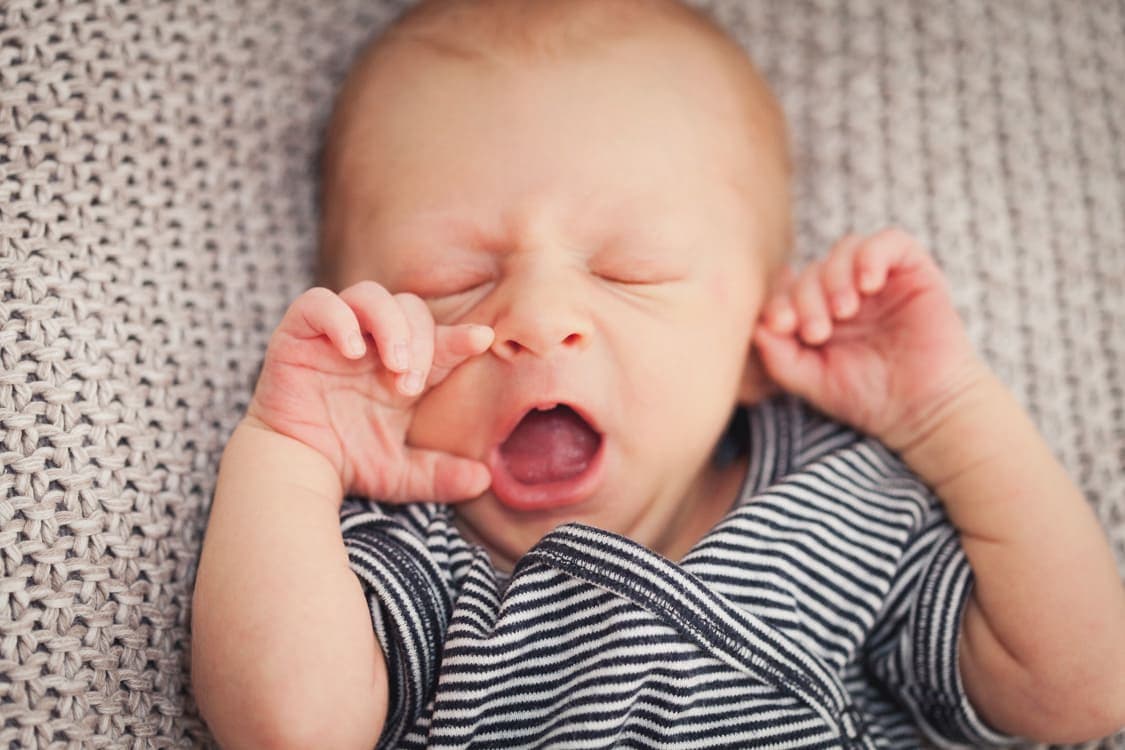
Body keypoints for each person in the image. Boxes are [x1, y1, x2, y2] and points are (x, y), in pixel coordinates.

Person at [189, 0, 1125, 747]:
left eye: (630, 269)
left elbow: (1085, 690)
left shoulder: (838, 508)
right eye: (452, 282)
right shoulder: (409, 558)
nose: (540, 319)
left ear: (756, 342)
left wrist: (947, 413)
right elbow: (290, 730)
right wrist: (291, 452)